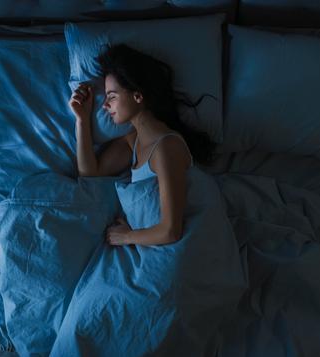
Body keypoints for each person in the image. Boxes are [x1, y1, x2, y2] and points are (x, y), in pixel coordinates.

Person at [68, 44, 217, 248]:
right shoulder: (133, 140)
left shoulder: (166, 147)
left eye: (112, 96)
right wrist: (82, 119)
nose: (105, 105)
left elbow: (171, 230)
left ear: (137, 96)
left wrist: (126, 236)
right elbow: (90, 173)